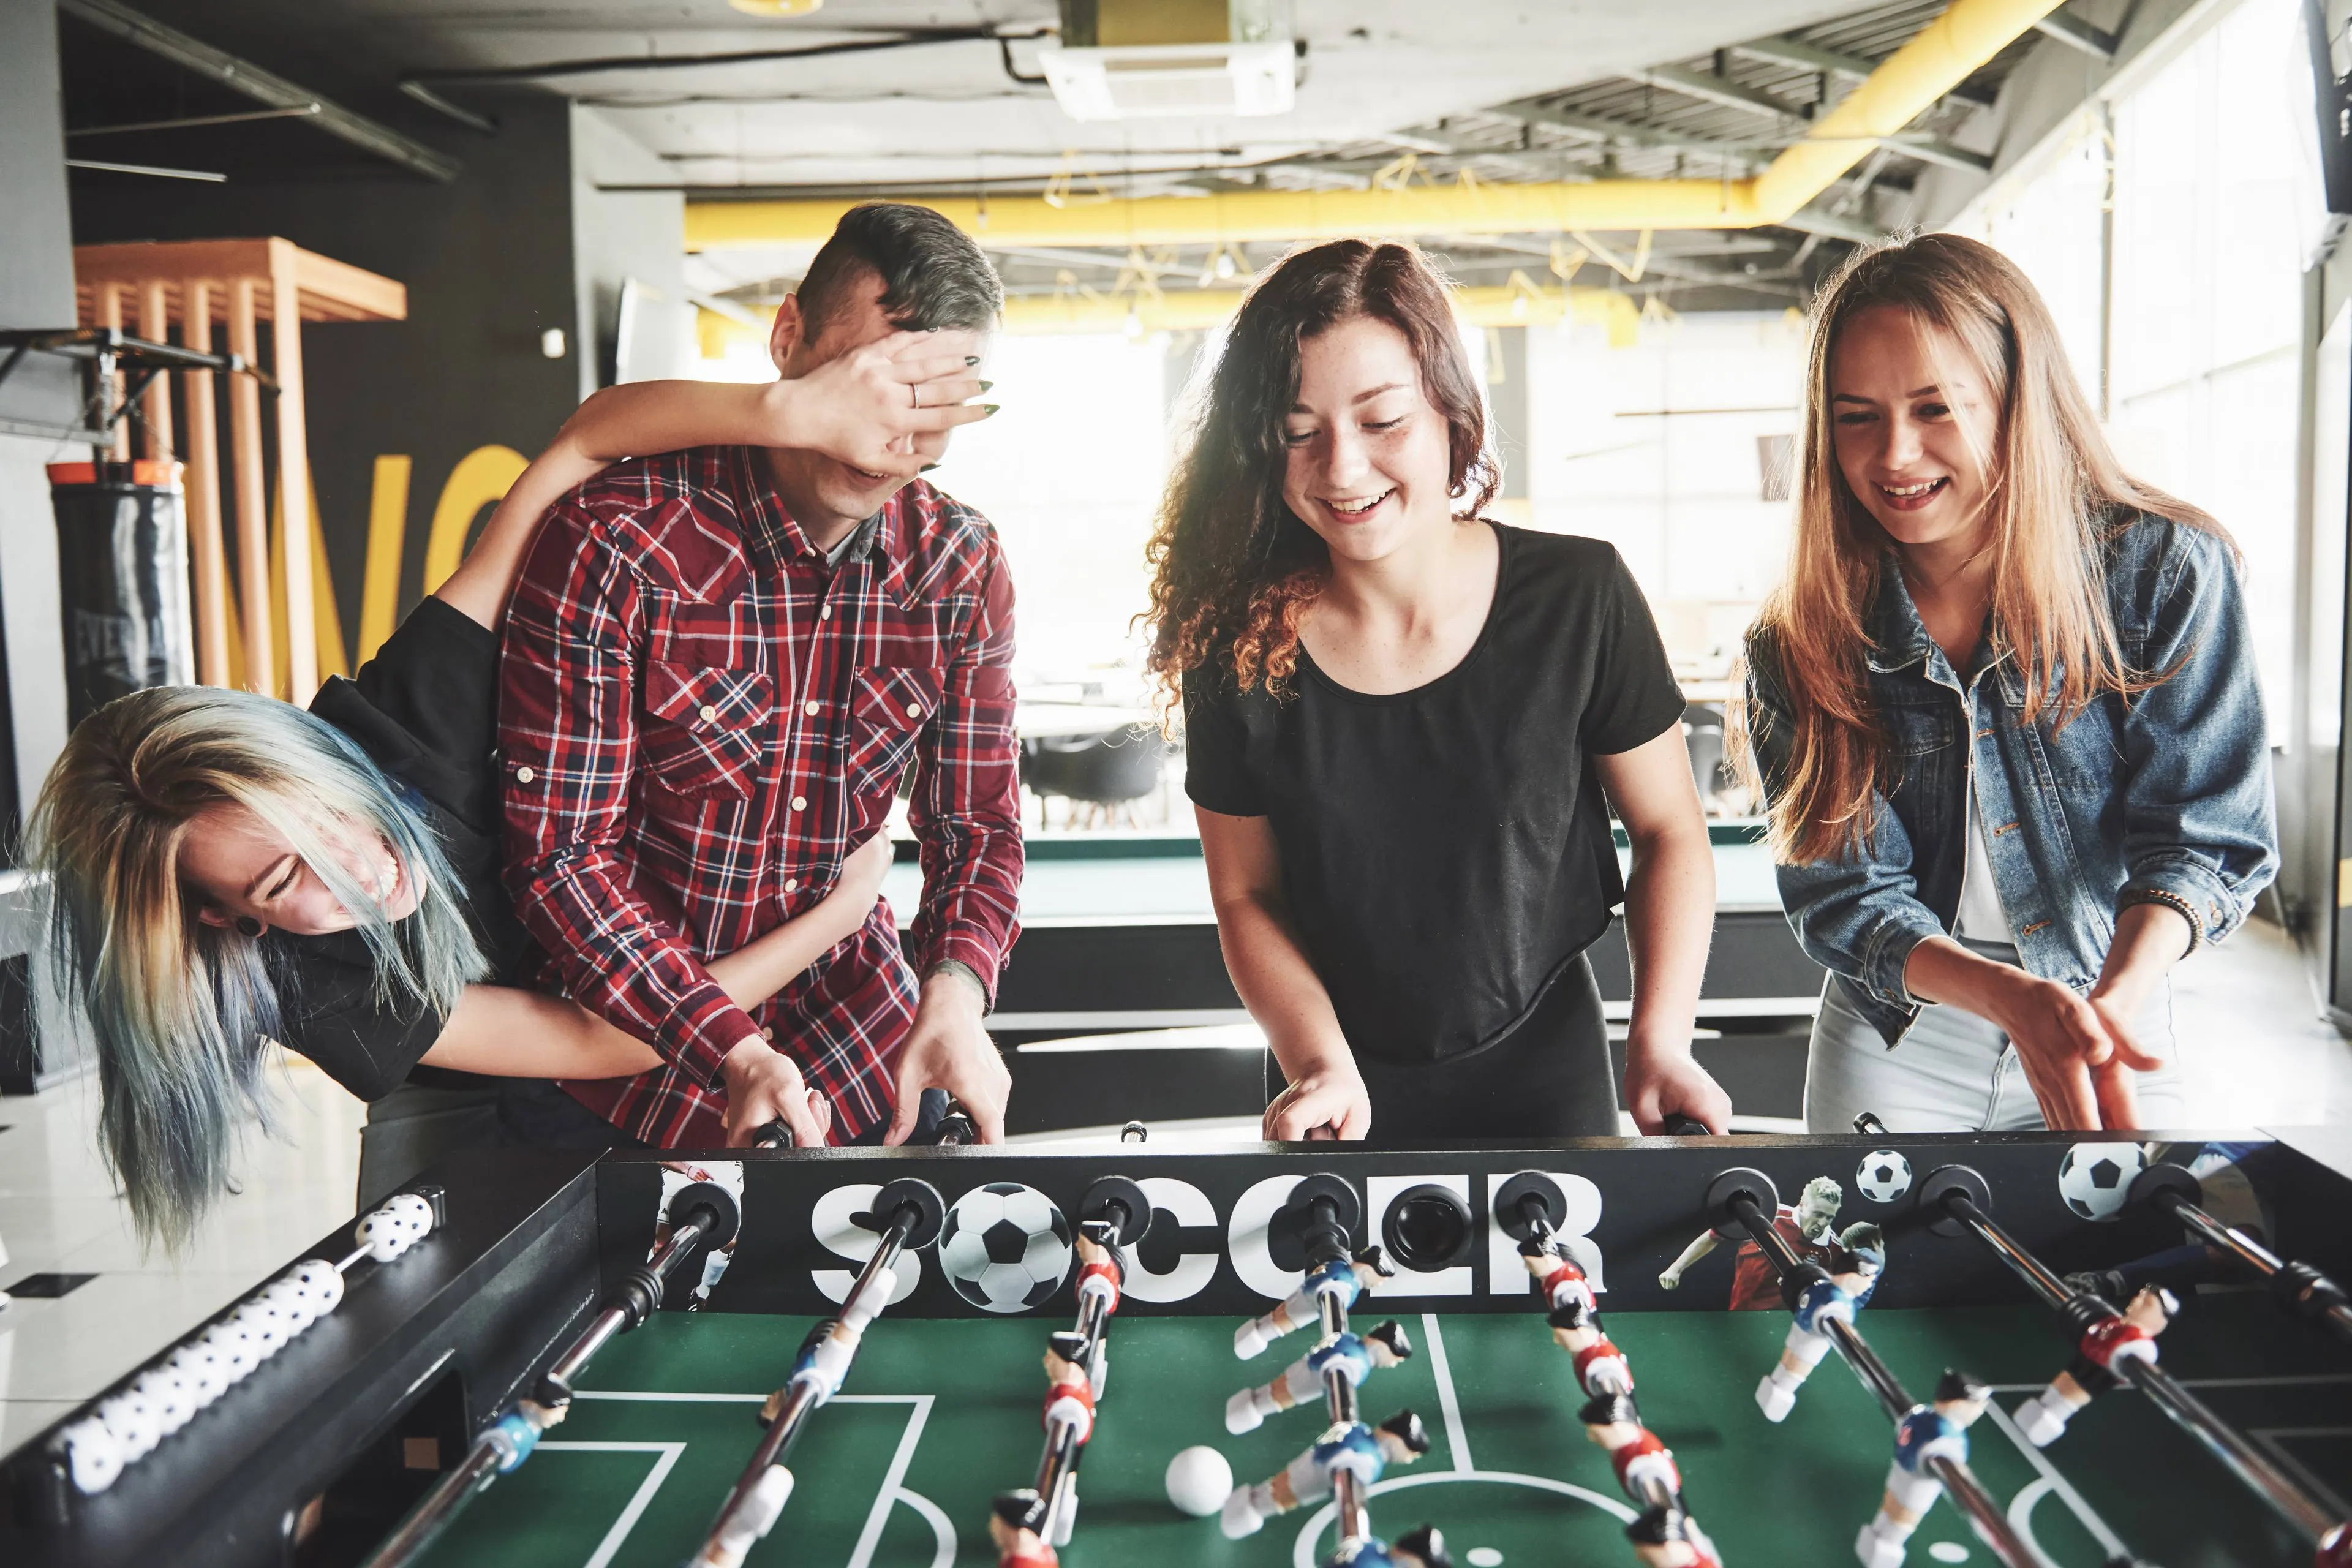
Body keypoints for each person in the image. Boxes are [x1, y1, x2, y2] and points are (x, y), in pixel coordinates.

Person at [23, 328, 985, 1245]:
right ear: (231, 922)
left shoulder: (400, 723)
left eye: (322, 813)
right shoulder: (307, 983)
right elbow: (600, 1039)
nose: (356, 866)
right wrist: (844, 907)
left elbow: (585, 441)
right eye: (286, 883)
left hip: (629, 1001)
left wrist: (792, 412)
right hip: (496, 1090)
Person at [1147, 238, 1730, 1146]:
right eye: (1298, 433)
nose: (1341, 469)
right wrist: (1317, 1062)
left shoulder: (1581, 596)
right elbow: (1246, 897)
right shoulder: (1234, 646)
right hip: (1332, 1078)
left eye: (1383, 422)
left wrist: (1660, 1041)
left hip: (1550, 1067)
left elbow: (1670, 832)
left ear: (1451, 413)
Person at [500, 201, 1024, 1153]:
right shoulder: (617, 539)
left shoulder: (961, 563)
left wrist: (955, 995)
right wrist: (729, 1045)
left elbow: (976, 829)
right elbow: (563, 862)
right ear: (790, 338)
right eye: (876, 388)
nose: (891, 443)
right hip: (625, 1088)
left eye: (933, 409)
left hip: (863, 1066)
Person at [1739, 233, 2277, 1135]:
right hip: (1900, 1037)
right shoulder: (1803, 633)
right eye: (1857, 415)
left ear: (2017, 404)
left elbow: (2204, 838)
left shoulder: (2162, 569)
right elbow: (1849, 896)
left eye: (1937, 408)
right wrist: (2010, 1000)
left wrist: (2108, 1006)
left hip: (2110, 1015)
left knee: (2130, 1274)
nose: (1896, 455)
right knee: (1877, 1279)